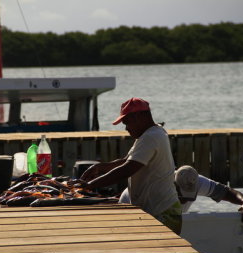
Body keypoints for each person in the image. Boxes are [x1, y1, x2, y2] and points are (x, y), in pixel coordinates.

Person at [78, 97, 182, 235]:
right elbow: (125, 161)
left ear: (138, 117)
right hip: (160, 210)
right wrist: (100, 168)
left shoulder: (151, 137)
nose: (126, 128)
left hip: (164, 213)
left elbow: (127, 169)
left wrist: (90, 185)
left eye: (127, 123)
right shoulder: (149, 134)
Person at [119, 165, 243, 226]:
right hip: (129, 206)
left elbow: (226, 192)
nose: (184, 201)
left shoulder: (197, 181)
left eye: (189, 197)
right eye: (181, 196)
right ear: (173, 185)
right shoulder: (158, 187)